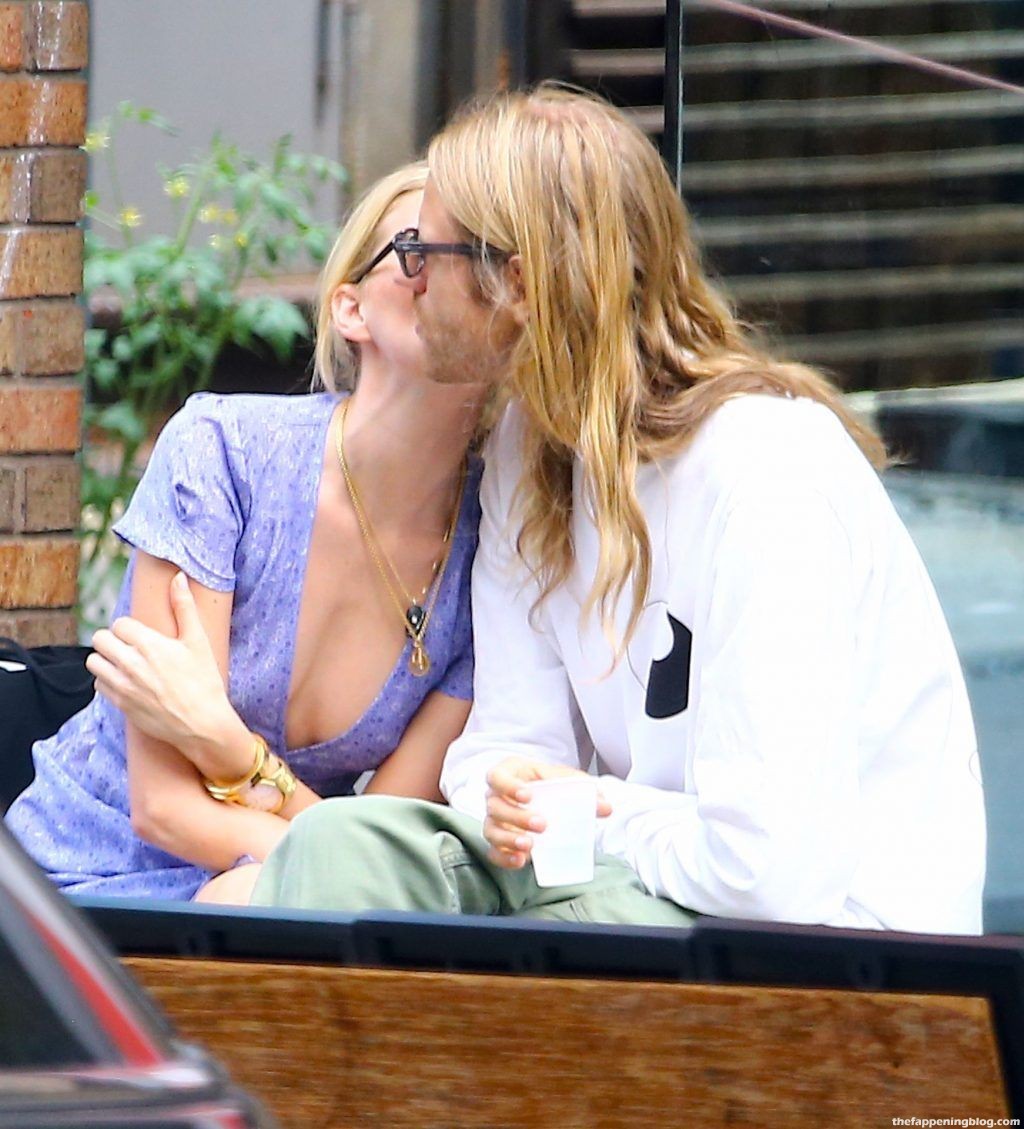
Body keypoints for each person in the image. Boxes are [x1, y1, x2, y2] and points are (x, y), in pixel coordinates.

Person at [250, 85, 985, 934]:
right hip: (642, 882)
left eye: (427, 250)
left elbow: (768, 874)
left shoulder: (766, 475)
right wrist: (518, 800)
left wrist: (593, 808)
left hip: (835, 945)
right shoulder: (527, 448)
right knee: (337, 850)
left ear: (515, 285)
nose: (410, 275)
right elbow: (502, 752)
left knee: (486, 939)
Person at [5, 162, 489, 904]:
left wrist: (232, 750)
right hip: (77, 892)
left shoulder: (491, 548)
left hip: (288, 904)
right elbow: (165, 808)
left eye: (477, 256)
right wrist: (323, 842)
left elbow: (382, 852)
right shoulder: (225, 451)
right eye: (417, 249)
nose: (447, 276)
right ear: (351, 309)